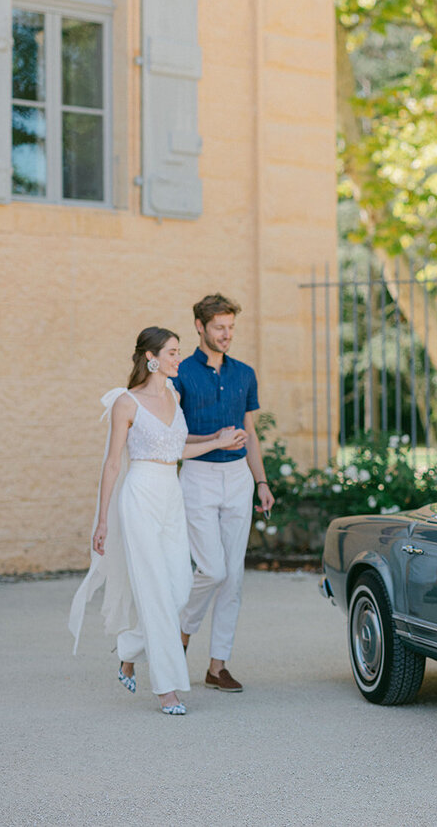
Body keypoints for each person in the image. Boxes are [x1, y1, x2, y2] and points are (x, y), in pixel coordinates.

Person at [69, 327, 245, 715]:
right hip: (140, 497)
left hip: (171, 496)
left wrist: (217, 440)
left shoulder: (174, 396)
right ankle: (168, 688)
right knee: (153, 591)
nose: (177, 359)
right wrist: (102, 521)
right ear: (151, 357)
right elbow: (113, 463)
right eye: (171, 352)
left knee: (180, 589)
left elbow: (177, 448)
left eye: (178, 352)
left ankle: (129, 650)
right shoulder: (126, 403)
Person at [173, 294, 274, 692]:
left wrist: (261, 482)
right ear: (199, 327)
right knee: (211, 569)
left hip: (239, 480)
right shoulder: (179, 373)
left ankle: (218, 666)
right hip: (197, 476)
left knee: (233, 576)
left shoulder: (244, 373)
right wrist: (214, 439)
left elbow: (249, 433)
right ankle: (179, 636)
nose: (226, 334)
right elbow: (173, 437)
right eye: (219, 328)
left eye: (230, 327)